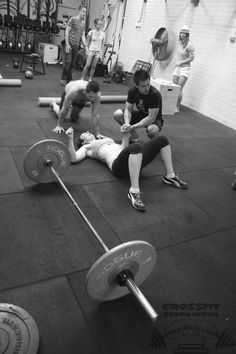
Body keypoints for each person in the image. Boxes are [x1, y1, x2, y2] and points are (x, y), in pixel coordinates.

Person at [65, 126, 188, 212]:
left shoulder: (106, 139)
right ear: (83, 141)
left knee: (162, 139)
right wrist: (70, 139)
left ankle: (170, 176)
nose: (87, 131)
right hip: (118, 167)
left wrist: (125, 135)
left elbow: (123, 147)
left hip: (133, 161)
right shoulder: (88, 147)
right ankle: (134, 191)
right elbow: (74, 158)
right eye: (84, 134)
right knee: (136, 146)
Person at [114, 69, 164, 143]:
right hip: (141, 115)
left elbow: (151, 118)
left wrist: (132, 127)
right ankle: (133, 135)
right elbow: (128, 109)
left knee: (152, 130)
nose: (147, 88)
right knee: (118, 114)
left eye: (148, 84)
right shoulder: (132, 91)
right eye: (143, 86)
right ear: (137, 85)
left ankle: (155, 143)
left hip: (154, 119)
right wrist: (127, 123)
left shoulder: (155, 94)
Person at [60, 5, 87, 86]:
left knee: (72, 64)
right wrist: (67, 44)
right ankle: (63, 78)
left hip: (76, 45)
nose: (84, 13)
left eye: (85, 12)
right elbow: (67, 31)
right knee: (67, 62)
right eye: (83, 11)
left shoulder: (83, 23)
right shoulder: (73, 19)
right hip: (69, 44)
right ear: (79, 11)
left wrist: (85, 46)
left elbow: (82, 35)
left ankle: (69, 78)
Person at [173, 25, 195, 114]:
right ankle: (172, 105)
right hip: (178, 67)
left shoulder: (190, 45)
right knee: (174, 88)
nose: (182, 35)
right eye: (181, 33)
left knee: (179, 88)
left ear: (187, 34)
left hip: (185, 68)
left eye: (184, 33)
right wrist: (176, 64)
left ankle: (177, 107)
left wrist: (181, 63)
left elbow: (192, 58)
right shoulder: (180, 42)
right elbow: (179, 56)